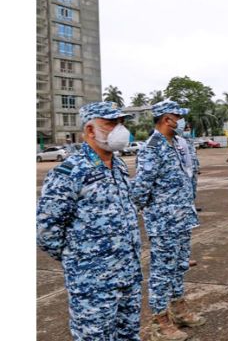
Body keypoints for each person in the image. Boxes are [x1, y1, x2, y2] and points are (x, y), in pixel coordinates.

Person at [37, 102, 142, 340]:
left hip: (128, 274)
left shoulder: (119, 166)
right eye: (110, 123)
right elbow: (46, 230)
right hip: (92, 283)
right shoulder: (69, 172)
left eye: (120, 123)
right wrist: (79, 260)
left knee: (128, 334)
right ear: (90, 130)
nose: (119, 129)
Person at [132, 100, 205, 341]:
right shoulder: (152, 148)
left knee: (179, 266)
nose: (182, 120)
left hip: (182, 217)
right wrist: (151, 214)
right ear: (166, 119)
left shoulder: (177, 144)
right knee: (162, 271)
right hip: (164, 221)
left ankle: (178, 309)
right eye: (178, 116)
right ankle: (159, 321)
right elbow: (141, 189)